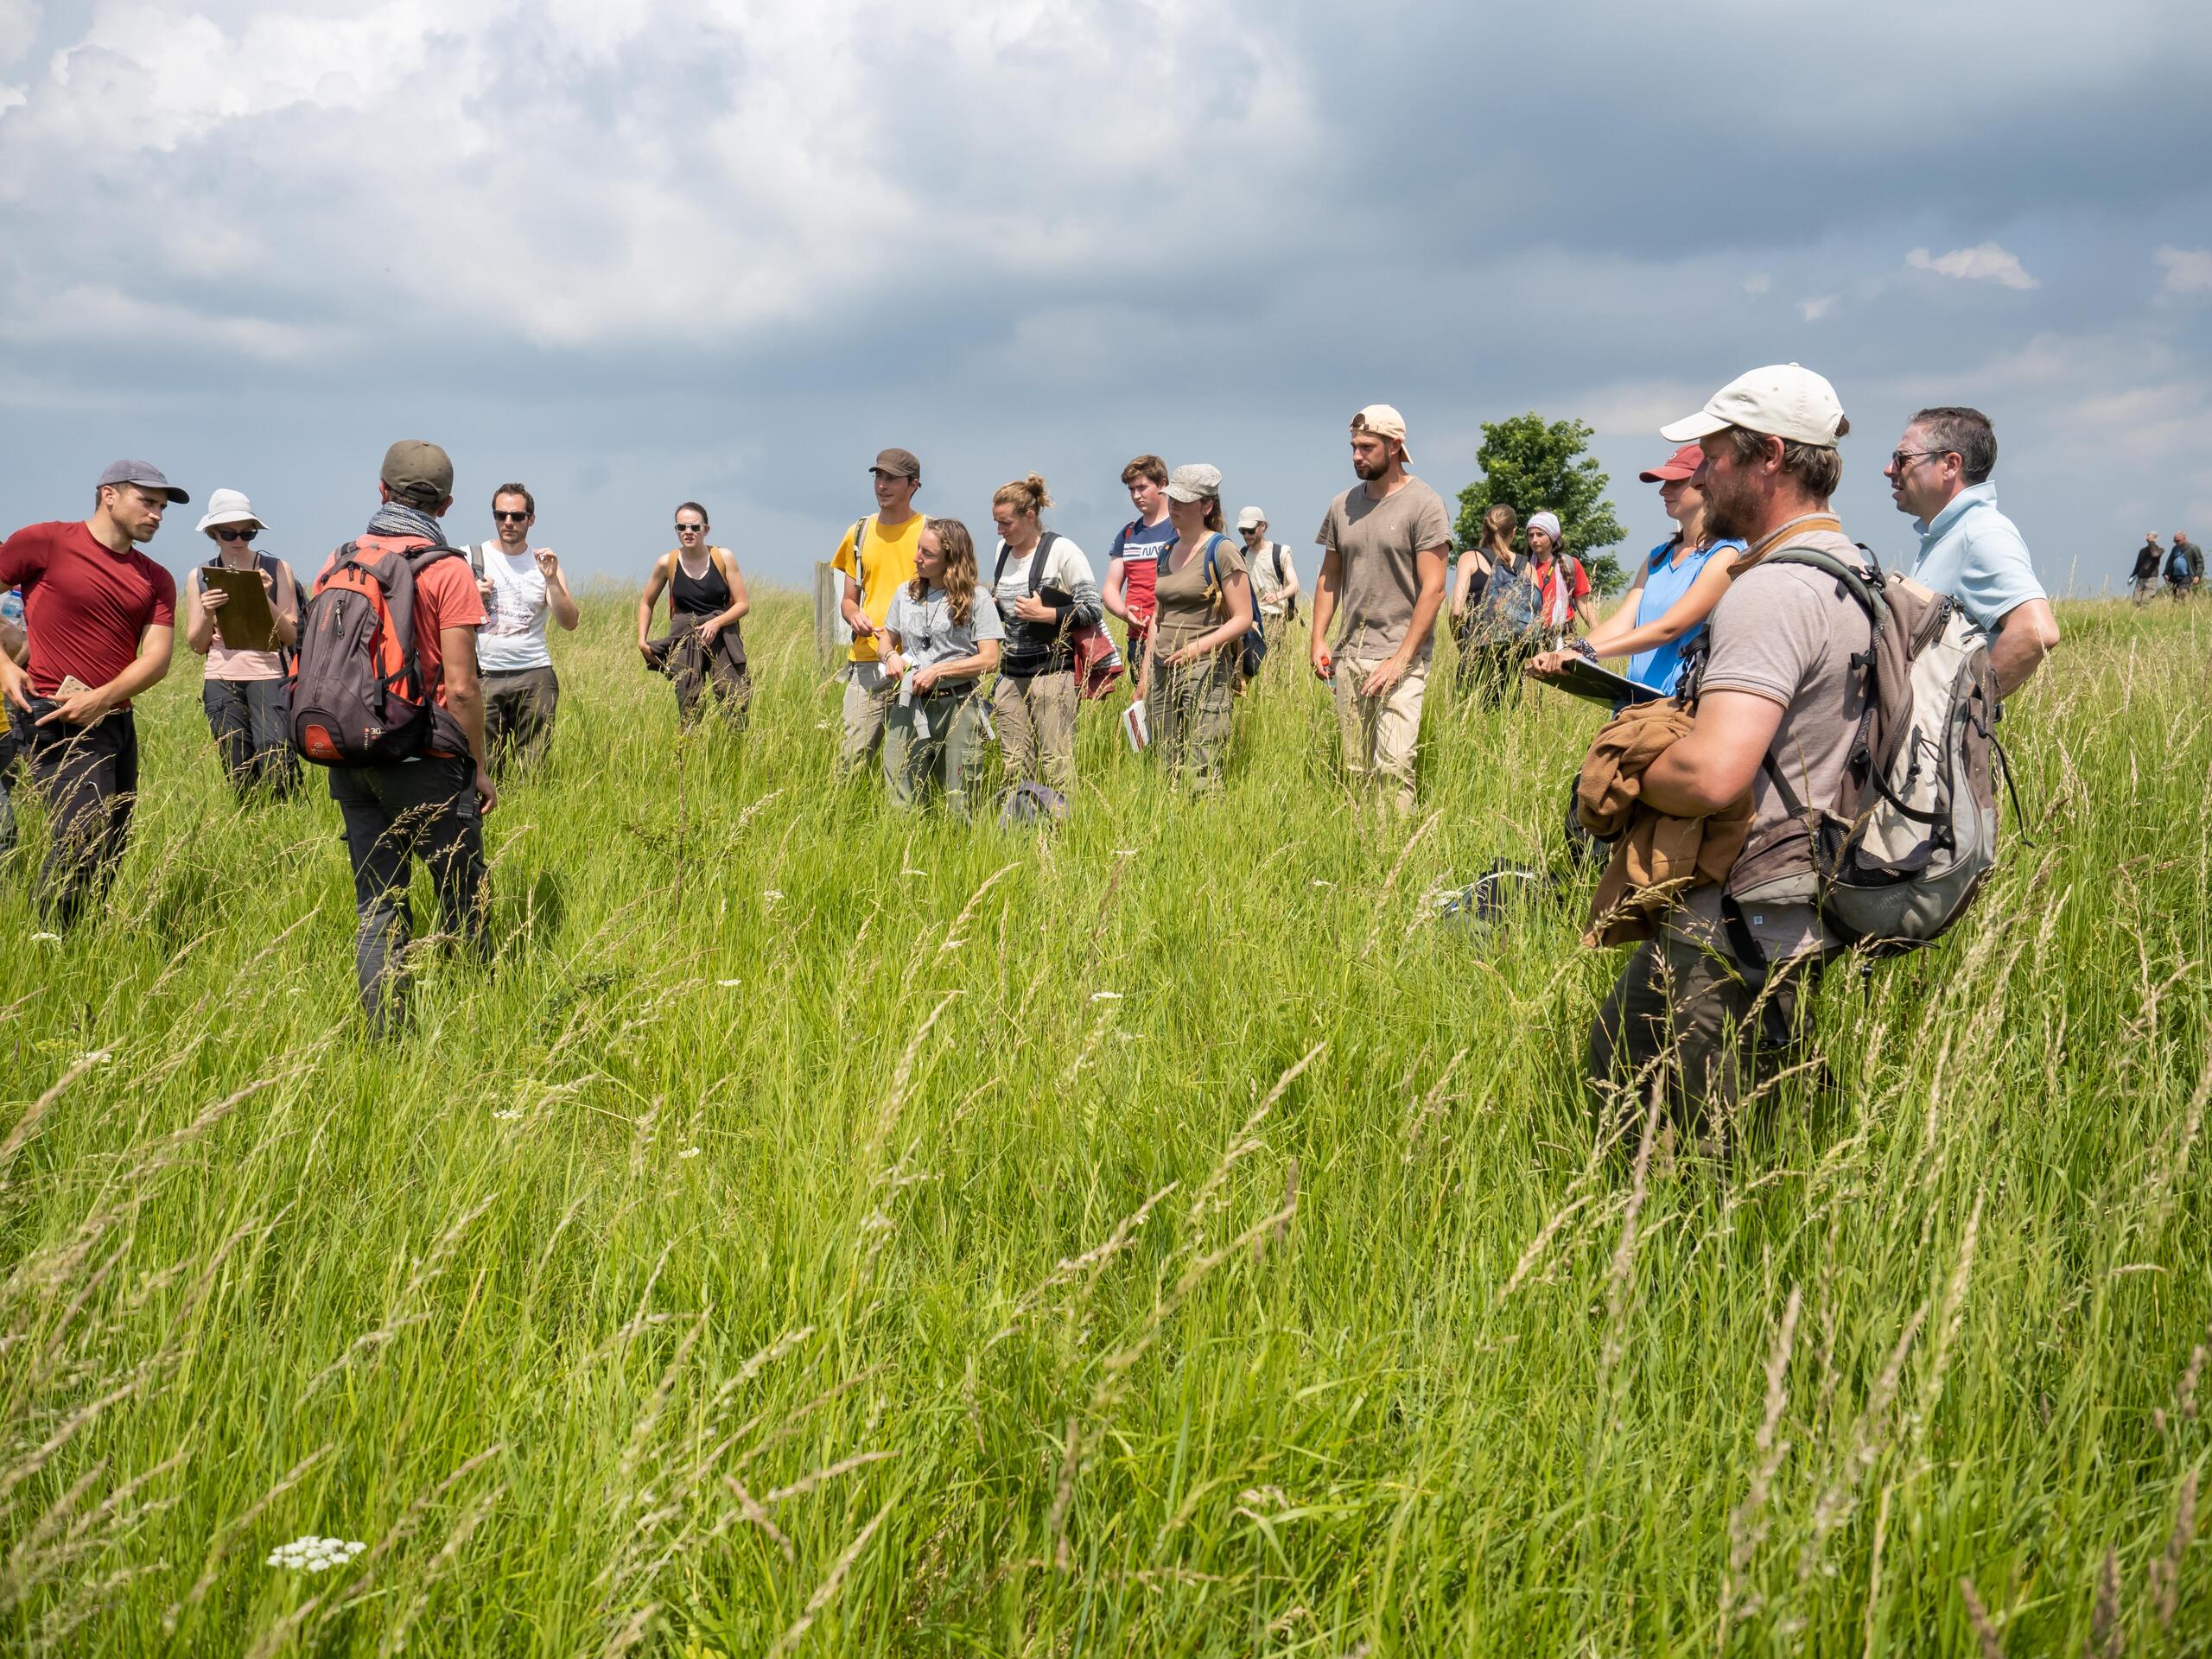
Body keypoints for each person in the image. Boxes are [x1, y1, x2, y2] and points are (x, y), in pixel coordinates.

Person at [1586, 363, 1866, 1121]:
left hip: (1732, 913)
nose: (1701, 475)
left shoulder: (1771, 590)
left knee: (1660, 1122)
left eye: (1714, 455)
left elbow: (1713, 776)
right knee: (1756, 1116)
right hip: (1805, 894)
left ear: (1769, 456)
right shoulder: (1860, 571)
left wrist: (1623, 763)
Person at [320, 440, 495, 1034]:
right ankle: (477, 1025)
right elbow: (464, 686)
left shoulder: (339, 559)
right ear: (445, 505)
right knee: (463, 897)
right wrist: (477, 766)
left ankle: (387, 1041)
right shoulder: (448, 570)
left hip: (350, 752)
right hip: (427, 755)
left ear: (381, 490)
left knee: (378, 904)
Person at [0, 461, 181, 928]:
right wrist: (3, 666)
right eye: (148, 502)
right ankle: (50, 938)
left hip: (115, 721)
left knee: (112, 841)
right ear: (109, 495)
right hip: (53, 714)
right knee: (83, 830)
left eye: (162, 507)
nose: (157, 515)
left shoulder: (155, 577)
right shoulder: (44, 541)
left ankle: (81, 939)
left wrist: (101, 699)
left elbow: (157, 658)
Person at [1310, 405, 1452, 813]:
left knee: (1392, 766)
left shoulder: (1424, 504)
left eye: (1366, 446)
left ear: (1394, 446)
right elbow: (1329, 576)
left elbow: (1435, 589)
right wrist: (1319, 638)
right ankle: (1361, 859)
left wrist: (1401, 659)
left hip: (1400, 658)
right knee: (1356, 770)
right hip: (1349, 655)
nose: (1356, 455)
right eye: (1353, 446)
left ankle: (1392, 861)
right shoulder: (1343, 505)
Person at [1527, 443, 1746, 698]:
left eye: (1675, 482)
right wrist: (1568, 653)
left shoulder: (1726, 555)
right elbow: (1623, 621)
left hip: (1678, 707)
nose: (1663, 490)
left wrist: (1586, 652)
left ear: (1707, 483)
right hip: (1633, 704)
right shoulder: (1658, 557)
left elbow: (1670, 627)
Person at [1885, 407, 2059, 696]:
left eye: (1902, 458)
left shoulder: (1981, 535)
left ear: (1951, 464)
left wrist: (1962, 708)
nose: (1889, 469)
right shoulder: (1952, 534)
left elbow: (2036, 631)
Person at [182, 488, 301, 800]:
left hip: (269, 674)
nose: (238, 540)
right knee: (236, 764)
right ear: (213, 534)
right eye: (228, 533)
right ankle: (249, 816)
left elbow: (290, 635)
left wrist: (263, 598)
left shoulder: (277, 569)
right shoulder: (199, 577)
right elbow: (196, 644)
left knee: (277, 759)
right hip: (220, 676)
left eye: (247, 533)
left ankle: (282, 821)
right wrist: (208, 611)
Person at [879, 518, 1001, 818]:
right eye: (918, 548)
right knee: (898, 792)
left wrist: (939, 671)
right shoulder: (904, 594)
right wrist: (889, 658)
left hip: (958, 705)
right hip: (910, 703)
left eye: (927, 553)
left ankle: (961, 854)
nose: (916, 557)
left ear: (951, 559)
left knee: (960, 798)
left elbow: (990, 659)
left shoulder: (977, 598)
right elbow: (886, 640)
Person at [988, 473, 1100, 800]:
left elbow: (1093, 608)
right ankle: (1023, 829)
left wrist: (1047, 615)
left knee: (1056, 762)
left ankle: (1063, 833)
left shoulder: (1062, 550)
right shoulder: (1002, 550)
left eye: (1005, 522)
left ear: (1030, 516)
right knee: (1014, 764)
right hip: (1010, 674)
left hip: (1052, 672)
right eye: (996, 523)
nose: (999, 530)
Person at [1143, 466, 1253, 794]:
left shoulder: (1221, 550)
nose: (1174, 505)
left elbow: (1242, 618)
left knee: (1203, 766)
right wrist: (1147, 672)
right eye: (1172, 498)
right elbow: (1157, 617)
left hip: (1205, 670)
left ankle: (1205, 833)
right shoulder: (1165, 550)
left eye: (1183, 500)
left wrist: (1197, 648)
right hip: (1163, 668)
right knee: (1165, 761)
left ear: (1206, 507)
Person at [467, 482, 578, 773]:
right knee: (487, 761)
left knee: (534, 763)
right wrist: (472, 596)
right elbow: (440, 609)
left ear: (531, 519)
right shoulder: (469, 557)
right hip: (484, 673)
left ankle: (530, 814)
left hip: (534, 672)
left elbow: (569, 622)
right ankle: (493, 815)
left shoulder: (543, 564)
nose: (508, 522)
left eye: (517, 516)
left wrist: (552, 579)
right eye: (500, 515)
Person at [830, 449, 926, 776]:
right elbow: (848, 599)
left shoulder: (931, 531)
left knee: (910, 762)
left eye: (891, 479)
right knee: (851, 758)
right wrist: (853, 615)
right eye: (878, 477)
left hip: (919, 660)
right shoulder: (859, 531)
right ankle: (839, 818)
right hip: (868, 658)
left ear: (913, 485)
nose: (882, 486)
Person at [636, 503, 750, 728]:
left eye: (694, 527)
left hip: (721, 633)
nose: (688, 532)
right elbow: (646, 601)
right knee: (689, 701)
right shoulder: (666, 562)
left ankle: (736, 749)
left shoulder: (723, 557)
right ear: (676, 530)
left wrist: (717, 623)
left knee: (734, 696)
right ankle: (689, 754)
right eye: (682, 527)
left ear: (706, 529)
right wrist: (642, 641)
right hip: (684, 635)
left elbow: (743, 604)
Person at [1452, 504, 1543, 708]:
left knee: (1467, 724)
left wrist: (1462, 643)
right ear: (1513, 532)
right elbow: (1536, 616)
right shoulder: (1527, 566)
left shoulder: (1470, 558)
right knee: (1504, 723)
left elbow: (1456, 610)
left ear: (1484, 529)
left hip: (1476, 655)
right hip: (1513, 660)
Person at [1103, 456, 1173, 690]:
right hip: (1138, 638)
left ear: (1162, 484)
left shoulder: (1179, 528)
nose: (1136, 496)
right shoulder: (1128, 533)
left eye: (1142, 487)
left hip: (1173, 636)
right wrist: (1123, 612)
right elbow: (1111, 589)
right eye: (1131, 489)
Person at [1236, 505, 1300, 641]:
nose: (1247, 535)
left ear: (1263, 526)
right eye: (1243, 531)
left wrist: (1278, 596)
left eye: (1251, 530)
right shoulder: (1241, 554)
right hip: (1250, 619)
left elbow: (1294, 585)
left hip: (1274, 617)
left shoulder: (1281, 552)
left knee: (1275, 659)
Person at [1526, 512, 1592, 640]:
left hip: (1564, 634)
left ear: (1552, 537)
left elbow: (1584, 604)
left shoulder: (1570, 564)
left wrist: (1599, 633)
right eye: (1530, 535)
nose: (1534, 540)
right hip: (1532, 637)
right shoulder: (1524, 567)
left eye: (1540, 534)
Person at [2133, 534, 2164, 603]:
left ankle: (2144, 612)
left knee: (2146, 600)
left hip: (2151, 578)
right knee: (2136, 601)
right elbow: (2138, 564)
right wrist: (2133, 575)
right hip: (2140, 578)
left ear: (2155, 540)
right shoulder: (2142, 551)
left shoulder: (2160, 550)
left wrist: (2151, 543)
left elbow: (2154, 554)